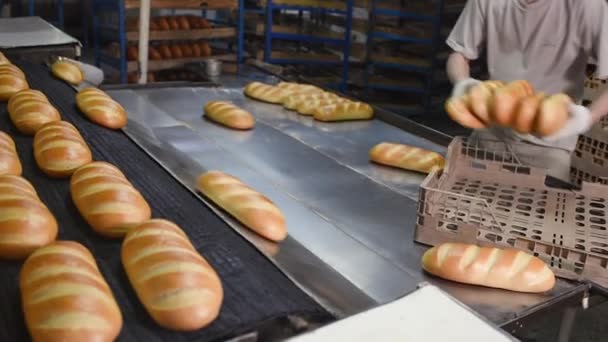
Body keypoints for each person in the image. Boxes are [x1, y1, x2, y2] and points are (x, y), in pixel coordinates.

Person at [445, 0, 608, 181]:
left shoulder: (587, 6)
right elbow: (459, 53)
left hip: (548, 147)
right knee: (469, 202)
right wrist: (463, 83)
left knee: (538, 208)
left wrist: (588, 117)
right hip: (489, 134)